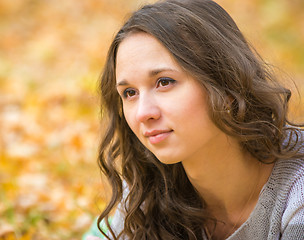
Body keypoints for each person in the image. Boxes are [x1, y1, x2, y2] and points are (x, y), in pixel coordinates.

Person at [85, 0, 304, 239]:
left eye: (164, 82)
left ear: (226, 82)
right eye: (129, 93)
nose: (142, 113)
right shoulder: (149, 188)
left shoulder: (297, 193)